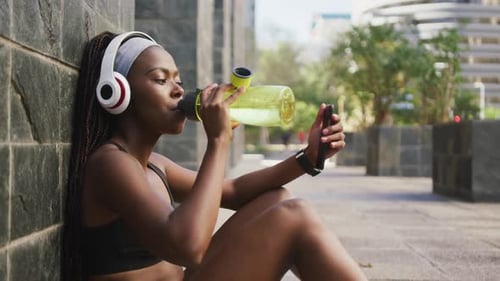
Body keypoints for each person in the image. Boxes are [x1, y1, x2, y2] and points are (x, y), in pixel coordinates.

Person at [62, 31, 367, 281]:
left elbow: (233, 192)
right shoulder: (110, 163)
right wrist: (218, 141)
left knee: (277, 200)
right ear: (117, 92)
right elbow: (187, 247)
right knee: (294, 214)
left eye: (178, 80)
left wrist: (308, 158)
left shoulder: (155, 165)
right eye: (160, 79)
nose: (178, 90)